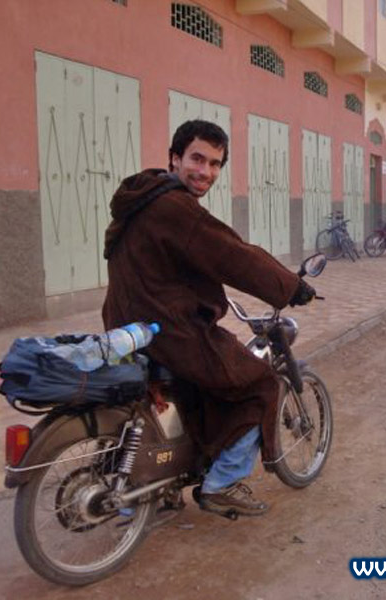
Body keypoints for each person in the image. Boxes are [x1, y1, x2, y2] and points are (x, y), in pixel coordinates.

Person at [102, 119, 317, 516]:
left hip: (128, 324)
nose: (205, 171)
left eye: (215, 164)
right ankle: (222, 483)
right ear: (175, 157)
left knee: (200, 388)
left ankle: (166, 482)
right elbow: (230, 254)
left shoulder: (142, 198)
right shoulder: (174, 207)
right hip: (168, 328)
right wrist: (290, 287)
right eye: (197, 159)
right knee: (260, 383)